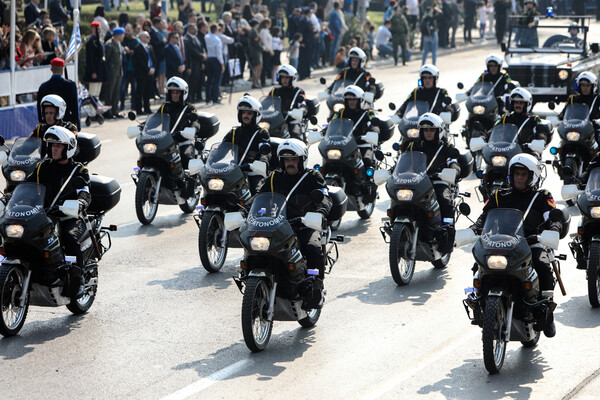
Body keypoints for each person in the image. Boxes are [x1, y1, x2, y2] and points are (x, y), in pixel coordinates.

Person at [470, 153, 562, 337]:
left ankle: (547, 312)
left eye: (523, 174)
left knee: (542, 265)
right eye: (516, 173)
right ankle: (478, 301)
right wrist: (475, 227)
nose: (519, 177)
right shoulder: (498, 195)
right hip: (500, 243)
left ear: (531, 176)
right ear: (510, 175)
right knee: (478, 265)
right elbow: (484, 217)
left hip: (530, 242)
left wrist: (553, 229)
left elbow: (552, 218)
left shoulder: (541, 196)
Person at [258, 139, 331, 309]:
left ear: (302, 159)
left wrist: (320, 213)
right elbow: (258, 197)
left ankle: (315, 287)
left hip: (304, 225)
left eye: (293, 160)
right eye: (286, 160)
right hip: (277, 225)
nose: (290, 163)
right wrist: (245, 211)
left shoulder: (313, 177)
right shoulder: (275, 178)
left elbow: (325, 198)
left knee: (313, 247)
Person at [27, 126, 91, 299]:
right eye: (52, 145)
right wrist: (10, 197)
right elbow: (26, 186)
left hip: (69, 216)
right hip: (44, 215)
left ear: (68, 148)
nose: (53, 148)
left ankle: (76, 282)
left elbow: (84, 192)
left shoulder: (78, 170)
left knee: (70, 238)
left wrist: (81, 202)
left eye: (58, 145)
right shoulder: (42, 168)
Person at [405, 113, 460, 253]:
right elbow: (403, 163)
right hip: (416, 182)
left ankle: (447, 232)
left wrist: (453, 171)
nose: (428, 133)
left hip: (438, 182)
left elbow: (454, 163)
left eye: (431, 130)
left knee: (444, 201)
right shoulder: (413, 146)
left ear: (438, 131)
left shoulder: (446, 147)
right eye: (425, 130)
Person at [329, 85, 379, 202]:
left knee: (367, 161)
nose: (351, 102)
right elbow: (332, 123)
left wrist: (373, 131)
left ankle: (368, 187)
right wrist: (323, 132)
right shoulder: (340, 113)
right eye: (349, 100)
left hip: (362, 144)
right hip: (343, 144)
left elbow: (374, 124)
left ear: (360, 100)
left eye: (354, 100)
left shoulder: (367, 113)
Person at [222, 95, 271, 195]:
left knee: (258, 192)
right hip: (233, 172)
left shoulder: (261, 133)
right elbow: (221, 149)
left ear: (256, 115)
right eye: (243, 112)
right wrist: (210, 159)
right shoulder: (234, 132)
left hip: (252, 172)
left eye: (249, 113)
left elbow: (265, 152)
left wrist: (261, 162)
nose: (246, 115)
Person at [156, 77, 200, 172]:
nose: (174, 95)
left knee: (185, 159)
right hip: (167, 142)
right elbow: (155, 119)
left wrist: (193, 128)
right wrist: (143, 126)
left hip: (183, 142)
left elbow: (195, 121)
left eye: (177, 93)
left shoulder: (189, 108)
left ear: (183, 93)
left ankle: (189, 184)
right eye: (172, 93)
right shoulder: (165, 106)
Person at [495, 87, 550, 158]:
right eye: (515, 102)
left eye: (521, 103)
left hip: (526, 153)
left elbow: (541, 131)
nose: (518, 105)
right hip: (506, 152)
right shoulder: (505, 118)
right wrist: (484, 137)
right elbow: (494, 130)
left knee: (534, 158)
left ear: (527, 104)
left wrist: (541, 140)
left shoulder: (533, 120)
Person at [37, 58, 80, 130]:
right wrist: (76, 125)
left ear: (51, 69)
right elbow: (74, 107)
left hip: (49, 124)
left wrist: (42, 122)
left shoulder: (43, 86)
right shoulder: (70, 85)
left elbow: (39, 107)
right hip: (66, 123)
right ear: (62, 70)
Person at [267, 65, 306, 139]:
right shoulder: (274, 91)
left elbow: (303, 105)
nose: (284, 80)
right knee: (263, 134)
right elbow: (265, 104)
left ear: (292, 78)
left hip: (292, 121)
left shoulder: (298, 92)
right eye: (282, 77)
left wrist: (301, 111)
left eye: (287, 77)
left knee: (296, 136)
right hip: (277, 121)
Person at [102, 27, 124, 119]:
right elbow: (106, 60)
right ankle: (109, 112)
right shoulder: (109, 44)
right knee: (109, 93)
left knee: (116, 93)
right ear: (118, 35)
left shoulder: (118, 43)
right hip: (111, 72)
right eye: (122, 35)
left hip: (118, 72)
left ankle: (115, 110)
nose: (123, 36)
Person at [133, 31, 156, 115]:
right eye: (147, 37)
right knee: (140, 91)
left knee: (148, 91)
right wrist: (147, 69)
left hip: (150, 72)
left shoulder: (150, 47)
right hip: (142, 73)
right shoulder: (137, 48)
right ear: (141, 38)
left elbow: (153, 59)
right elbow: (139, 62)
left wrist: (153, 68)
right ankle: (139, 109)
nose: (148, 38)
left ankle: (147, 107)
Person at [84, 21, 107, 98]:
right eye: (98, 29)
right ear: (93, 29)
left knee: (97, 92)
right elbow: (90, 58)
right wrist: (93, 71)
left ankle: (95, 108)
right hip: (95, 68)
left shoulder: (99, 41)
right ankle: (92, 109)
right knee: (93, 92)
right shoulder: (91, 42)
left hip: (100, 68)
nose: (100, 30)